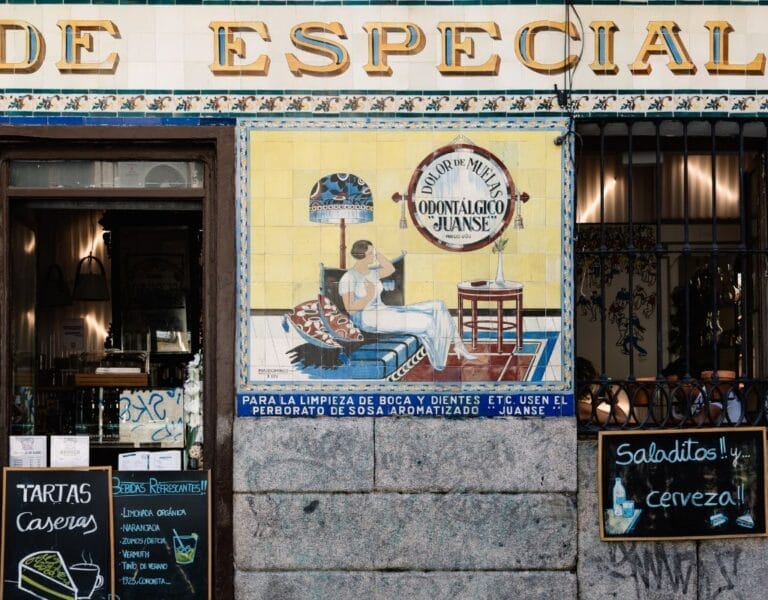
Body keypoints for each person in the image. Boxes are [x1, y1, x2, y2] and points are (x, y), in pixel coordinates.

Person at [338, 239, 480, 370]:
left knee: (438, 305)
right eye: (371, 254)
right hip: (368, 319)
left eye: (373, 253)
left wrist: (376, 253)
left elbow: (390, 269)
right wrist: (369, 295)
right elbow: (350, 308)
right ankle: (438, 363)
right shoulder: (349, 277)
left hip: (384, 311)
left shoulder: (371, 272)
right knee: (429, 320)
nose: (373, 256)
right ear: (361, 255)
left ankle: (459, 345)